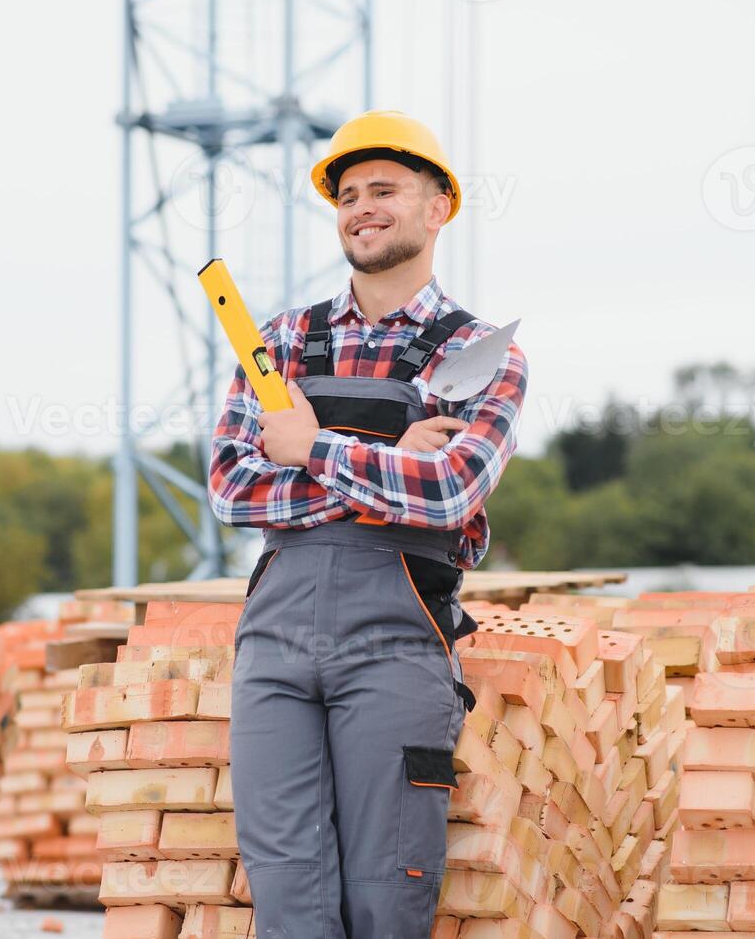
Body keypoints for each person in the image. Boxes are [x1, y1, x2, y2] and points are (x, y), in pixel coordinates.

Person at [207, 109, 528, 937]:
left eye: (385, 189)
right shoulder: (280, 340)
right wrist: (380, 462)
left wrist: (310, 446)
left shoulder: (478, 352)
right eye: (348, 195)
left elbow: (451, 490)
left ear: (437, 207)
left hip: (399, 643)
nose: (362, 207)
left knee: (389, 895)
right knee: (288, 898)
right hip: (274, 645)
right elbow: (232, 488)